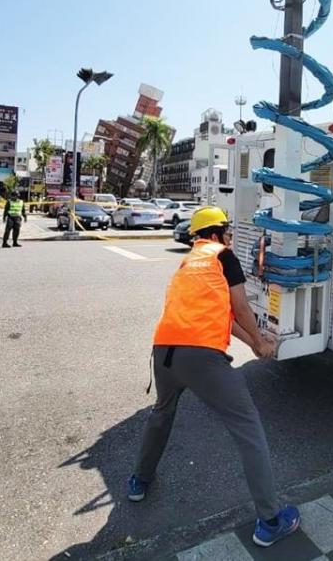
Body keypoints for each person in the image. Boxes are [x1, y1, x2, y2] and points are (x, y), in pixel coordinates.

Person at [128, 206, 300, 548]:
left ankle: (139, 481)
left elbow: (222, 316)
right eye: (229, 231)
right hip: (201, 358)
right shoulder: (223, 256)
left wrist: (255, 343)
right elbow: (240, 307)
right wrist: (264, 341)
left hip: (164, 352)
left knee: (162, 413)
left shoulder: (189, 262)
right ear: (218, 233)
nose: (231, 237)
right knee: (248, 427)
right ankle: (270, 520)